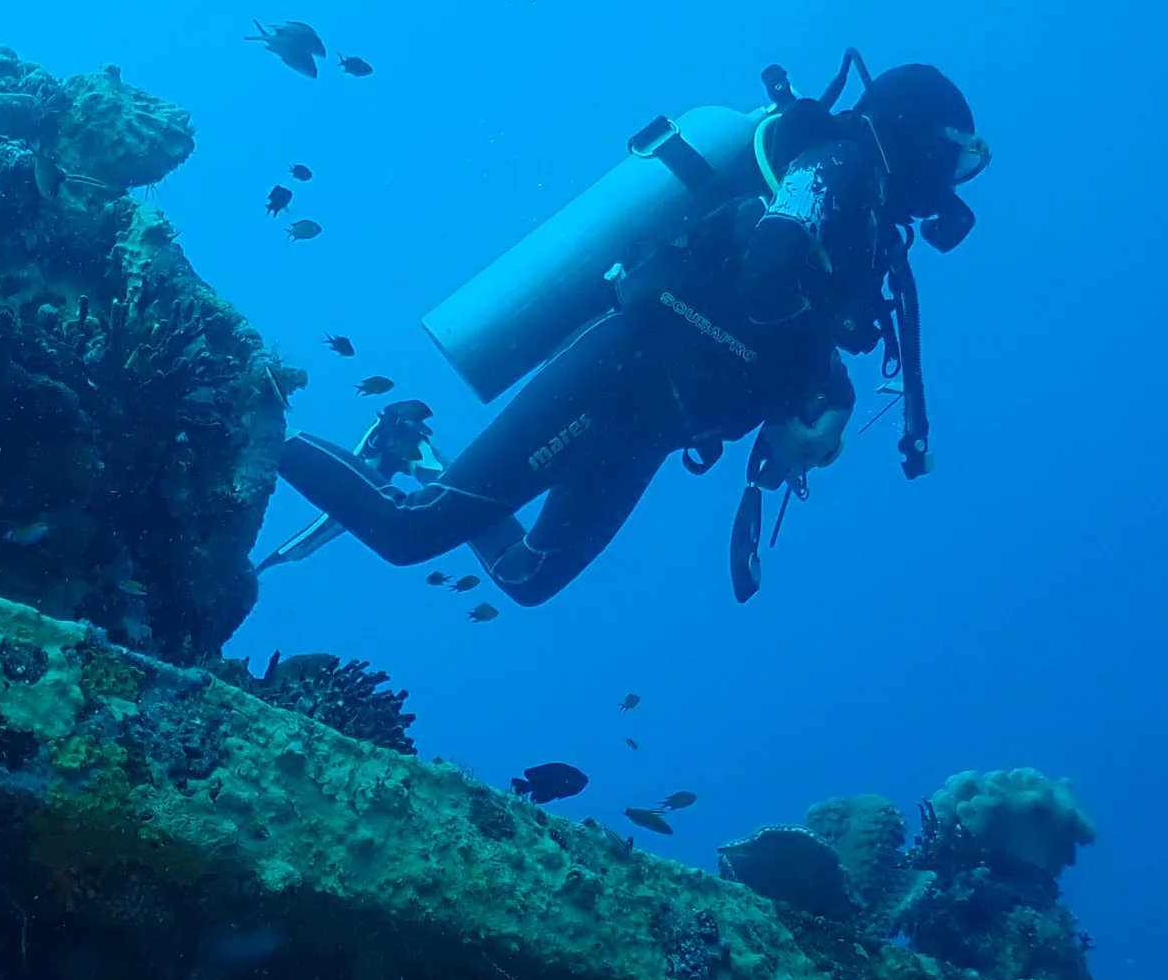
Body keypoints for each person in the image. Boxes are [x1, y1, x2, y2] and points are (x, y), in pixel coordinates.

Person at [273, 58, 989, 607]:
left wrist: (814, 398)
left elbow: (787, 324)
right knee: (410, 532)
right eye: (958, 158)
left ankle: (414, 449)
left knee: (529, 578)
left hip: (658, 422)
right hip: (629, 371)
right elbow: (769, 273)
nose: (953, 185)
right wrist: (802, 382)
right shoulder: (841, 165)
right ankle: (251, 404)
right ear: (919, 138)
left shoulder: (866, 225)